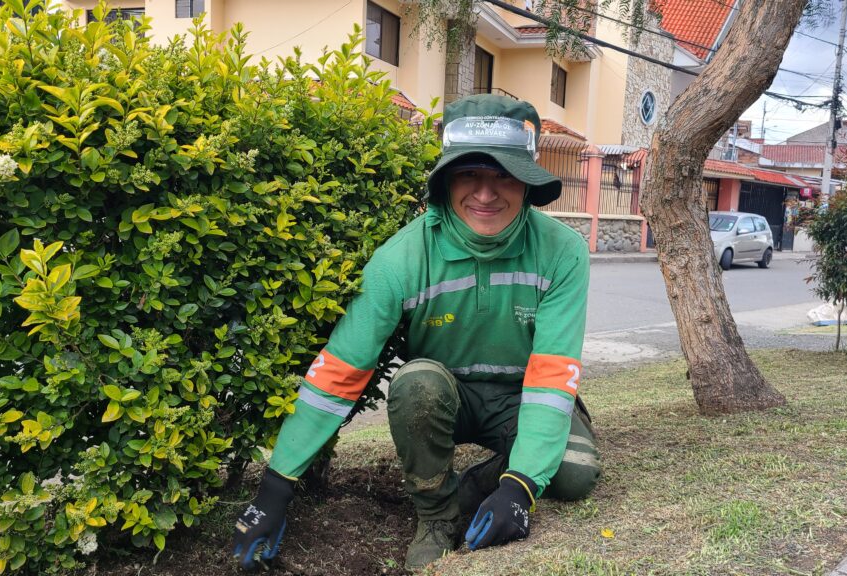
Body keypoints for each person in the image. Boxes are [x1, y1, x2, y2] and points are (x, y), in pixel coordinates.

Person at [231, 94, 601, 571]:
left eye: (504, 175)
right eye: (469, 174)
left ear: (527, 184)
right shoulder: (400, 259)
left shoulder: (563, 252)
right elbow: (338, 373)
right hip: (441, 395)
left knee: (573, 475)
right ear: (445, 181)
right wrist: (274, 490)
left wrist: (518, 489)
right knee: (417, 382)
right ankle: (435, 515)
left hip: (521, 394)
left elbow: (552, 378)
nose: (485, 194)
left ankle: (483, 482)